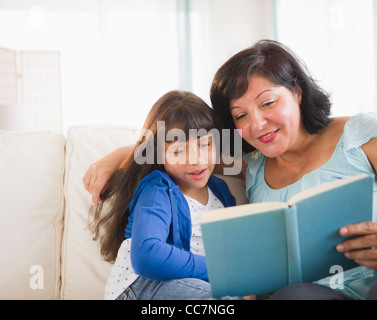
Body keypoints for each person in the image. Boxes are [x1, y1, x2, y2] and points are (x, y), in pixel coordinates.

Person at [84, 40, 377, 300]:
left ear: (297, 92)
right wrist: (122, 155)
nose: (258, 124)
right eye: (241, 115)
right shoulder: (252, 161)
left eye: (268, 102)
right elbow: (179, 152)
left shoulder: (360, 136)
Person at [88, 90, 238, 300]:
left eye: (205, 144)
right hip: (139, 287)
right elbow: (148, 255)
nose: (196, 159)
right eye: (178, 151)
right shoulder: (158, 190)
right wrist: (219, 270)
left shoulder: (220, 191)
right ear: (158, 154)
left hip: (190, 284)